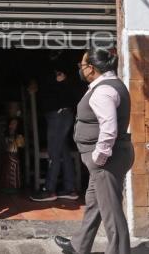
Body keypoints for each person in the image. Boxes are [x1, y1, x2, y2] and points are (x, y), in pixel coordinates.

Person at [54, 47, 134, 254]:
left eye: (81, 65)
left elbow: (109, 128)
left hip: (107, 159)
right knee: (94, 202)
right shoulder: (108, 85)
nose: (80, 69)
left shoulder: (103, 91)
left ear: (91, 68)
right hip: (109, 158)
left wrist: (99, 157)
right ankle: (79, 245)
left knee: (111, 213)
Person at [30, 68, 80, 202]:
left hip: (58, 113)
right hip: (64, 113)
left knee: (54, 153)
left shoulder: (53, 68)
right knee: (63, 150)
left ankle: (49, 190)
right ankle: (70, 189)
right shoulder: (56, 65)